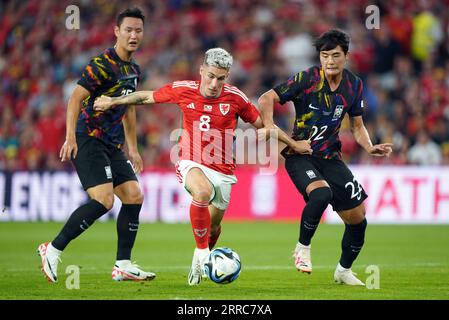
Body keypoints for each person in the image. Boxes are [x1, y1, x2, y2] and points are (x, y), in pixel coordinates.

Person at [93, 47, 312, 285]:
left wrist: (293, 143)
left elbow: (264, 126)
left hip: (224, 170)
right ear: (201, 70)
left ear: (226, 76)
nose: (214, 83)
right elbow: (145, 97)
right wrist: (113, 101)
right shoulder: (183, 89)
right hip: (190, 160)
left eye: (220, 78)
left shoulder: (236, 98)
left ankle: (199, 260)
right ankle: (202, 253)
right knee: (202, 192)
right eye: (210, 76)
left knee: (213, 228)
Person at [258, 29, 393, 285]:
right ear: (319, 57)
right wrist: (270, 126)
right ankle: (302, 249)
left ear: (346, 57)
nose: (329, 61)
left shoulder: (354, 85)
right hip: (300, 153)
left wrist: (368, 146)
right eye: (324, 55)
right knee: (321, 194)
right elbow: (267, 98)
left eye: (335, 55)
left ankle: (343, 271)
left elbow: (356, 125)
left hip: (331, 157)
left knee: (358, 220)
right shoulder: (307, 78)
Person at [37, 7, 156, 282]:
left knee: (134, 195)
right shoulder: (101, 64)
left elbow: (130, 107)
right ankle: (52, 249)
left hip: (112, 144)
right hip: (88, 139)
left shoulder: (134, 69)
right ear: (117, 31)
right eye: (128, 30)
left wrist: (133, 148)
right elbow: (75, 99)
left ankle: (123, 265)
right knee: (104, 200)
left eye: (138, 30)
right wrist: (69, 137)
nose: (134, 35)